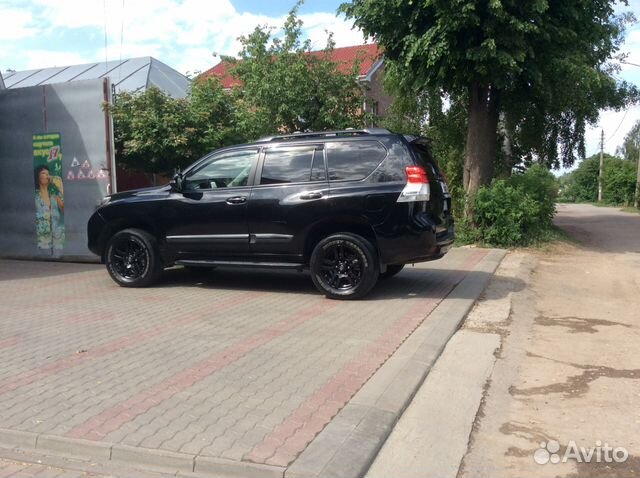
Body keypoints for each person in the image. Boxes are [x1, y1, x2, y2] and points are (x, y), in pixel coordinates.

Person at [34, 165, 65, 252]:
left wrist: (60, 188)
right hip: (42, 238)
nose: (47, 176)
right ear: (38, 177)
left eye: (48, 173)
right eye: (44, 173)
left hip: (58, 237)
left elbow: (63, 209)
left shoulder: (54, 194)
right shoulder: (36, 196)